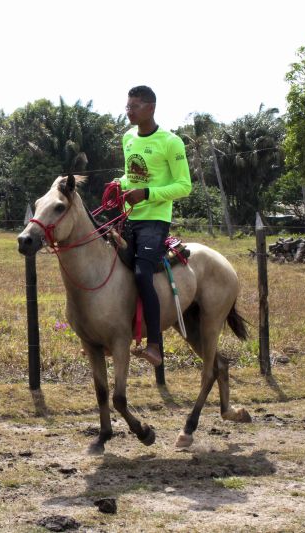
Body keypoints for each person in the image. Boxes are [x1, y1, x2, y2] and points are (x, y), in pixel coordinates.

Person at [115, 85, 192, 366]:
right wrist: (118, 184)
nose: (128, 111)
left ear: (151, 108)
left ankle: (155, 345)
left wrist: (147, 194)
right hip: (128, 217)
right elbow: (130, 176)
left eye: (134, 106)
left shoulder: (171, 142)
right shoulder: (127, 138)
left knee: (141, 273)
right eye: (127, 106)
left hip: (154, 221)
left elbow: (184, 186)